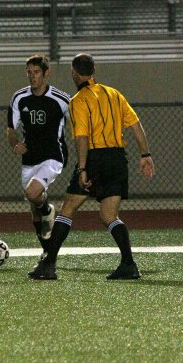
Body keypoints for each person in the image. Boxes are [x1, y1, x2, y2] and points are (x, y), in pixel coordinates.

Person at [28, 53, 155, 281]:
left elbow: (82, 138)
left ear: (74, 73)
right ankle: (128, 264)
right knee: (109, 216)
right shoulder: (114, 94)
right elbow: (136, 126)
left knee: (67, 209)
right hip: (118, 158)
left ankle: (48, 265)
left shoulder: (78, 100)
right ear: (93, 71)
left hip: (95, 158)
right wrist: (145, 154)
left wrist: (83, 168)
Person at [7, 54, 70, 256]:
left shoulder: (61, 99)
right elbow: (11, 129)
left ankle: (47, 210)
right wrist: (15, 144)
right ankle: (47, 252)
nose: (32, 77)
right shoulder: (19, 97)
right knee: (34, 210)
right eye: (29, 73)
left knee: (33, 194)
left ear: (46, 74)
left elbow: (80, 126)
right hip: (30, 159)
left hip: (53, 155)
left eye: (36, 72)